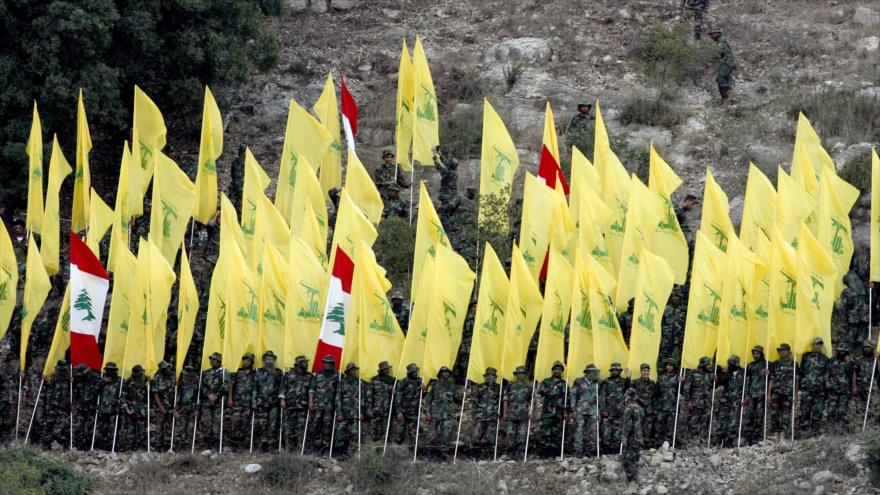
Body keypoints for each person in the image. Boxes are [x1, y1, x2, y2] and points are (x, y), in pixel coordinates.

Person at [426, 366, 461, 457]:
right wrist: (428, 412)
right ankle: (429, 453)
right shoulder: (433, 385)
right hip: (435, 413)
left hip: (448, 414)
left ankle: (444, 454)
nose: (446, 374)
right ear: (440, 373)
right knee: (431, 434)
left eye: (448, 372)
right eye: (444, 372)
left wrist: (462, 393)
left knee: (446, 435)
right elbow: (428, 400)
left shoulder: (452, 385)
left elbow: (457, 399)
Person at [280, 356, 312, 452]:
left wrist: (310, 402)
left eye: (307, 362)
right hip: (290, 405)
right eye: (304, 362)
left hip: (303, 406)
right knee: (289, 428)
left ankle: (300, 449)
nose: (306, 364)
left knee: (301, 428)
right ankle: (289, 448)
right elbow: (283, 388)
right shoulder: (288, 374)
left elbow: (311, 390)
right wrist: (282, 400)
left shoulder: (309, 376)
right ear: (298, 363)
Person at [798, 337, 829, 437]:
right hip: (806, 388)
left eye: (820, 344)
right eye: (816, 344)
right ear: (813, 345)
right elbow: (801, 371)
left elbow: (826, 374)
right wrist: (799, 386)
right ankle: (804, 432)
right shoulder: (805, 356)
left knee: (818, 410)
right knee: (805, 410)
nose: (818, 346)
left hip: (819, 389)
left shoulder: (825, 359)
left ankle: (815, 432)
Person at [309, 355, 340, 455]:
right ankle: (316, 447)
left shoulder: (337, 375)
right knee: (316, 425)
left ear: (332, 364)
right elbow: (312, 389)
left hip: (330, 406)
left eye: (329, 363)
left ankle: (326, 447)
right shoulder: (318, 374)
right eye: (325, 362)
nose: (326, 364)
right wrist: (311, 402)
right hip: (318, 405)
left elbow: (340, 391)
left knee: (328, 426)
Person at [226, 353, 256, 451]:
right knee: (235, 422)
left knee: (245, 423)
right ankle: (233, 443)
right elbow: (231, 386)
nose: (246, 362)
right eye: (244, 360)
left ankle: (240, 444)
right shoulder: (237, 372)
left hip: (247, 403)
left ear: (252, 362)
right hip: (237, 402)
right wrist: (230, 399)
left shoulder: (255, 374)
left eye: (248, 360)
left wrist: (253, 402)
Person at [254, 351, 283, 452]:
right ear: (264, 360)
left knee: (273, 424)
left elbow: (282, 387)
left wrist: (280, 399)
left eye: (272, 359)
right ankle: (262, 444)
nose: (269, 361)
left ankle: (271, 445)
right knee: (261, 424)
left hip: (274, 403)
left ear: (274, 360)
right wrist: (254, 401)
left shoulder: (278, 372)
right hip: (261, 402)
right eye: (267, 358)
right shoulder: (259, 372)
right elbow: (255, 388)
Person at [537, 361, 567, 457]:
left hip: (559, 412)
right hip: (547, 412)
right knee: (545, 432)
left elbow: (567, 398)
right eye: (556, 369)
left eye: (559, 369)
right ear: (552, 370)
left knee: (557, 433)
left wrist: (566, 412)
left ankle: (554, 452)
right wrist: (547, 390)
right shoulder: (546, 381)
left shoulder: (564, 383)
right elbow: (540, 391)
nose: (557, 371)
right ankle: (544, 452)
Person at [570, 364, 600, 457]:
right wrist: (572, 409)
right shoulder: (578, 381)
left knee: (592, 431)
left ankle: (590, 451)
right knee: (579, 431)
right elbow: (573, 395)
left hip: (593, 411)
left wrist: (599, 411)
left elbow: (599, 398)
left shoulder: (597, 383)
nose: (596, 374)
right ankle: (578, 450)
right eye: (594, 372)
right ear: (588, 373)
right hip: (580, 410)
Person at [682, 356, 713, 446]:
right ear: (703, 364)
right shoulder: (693, 373)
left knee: (705, 422)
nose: (710, 366)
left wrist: (716, 379)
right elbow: (686, 388)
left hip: (706, 402)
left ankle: (703, 441)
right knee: (693, 422)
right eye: (708, 364)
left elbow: (712, 386)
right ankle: (692, 441)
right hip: (695, 402)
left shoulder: (710, 374)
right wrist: (688, 401)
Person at [199, 352, 228, 450]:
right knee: (206, 422)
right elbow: (202, 386)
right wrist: (209, 395)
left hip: (219, 401)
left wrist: (216, 396)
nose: (211, 361)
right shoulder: (206, 372)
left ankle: (216, 443)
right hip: (207, 401)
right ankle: (206, 443)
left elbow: (226, 385)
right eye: (211, 359)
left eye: (214, 359)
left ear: (219, 361)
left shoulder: (224, 372)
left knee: (217, 422)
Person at [333, 363, 362, 458]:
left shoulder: (359, 383)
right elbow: (338, 398)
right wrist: (339, 413)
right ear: (348, 371)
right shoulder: (342, 382)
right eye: (352, 369)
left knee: (354, 434)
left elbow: (363, 399)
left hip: (355, 413)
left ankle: (351, 454)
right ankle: (339, 453)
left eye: (355, 369)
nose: (354, 371)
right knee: (341, 433)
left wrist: (361, 412)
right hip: (344, 413)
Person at [41, 360, 71, 449]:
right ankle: (46, 444)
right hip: (53, 405)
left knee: (64, 426)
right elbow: (49, 391)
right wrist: (47, 404)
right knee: (49, 423)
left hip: (64, 406)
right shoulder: (54, 378)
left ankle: (65, 444)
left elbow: (74, 392)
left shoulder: (70, 378)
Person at [502, 366, 531, 458]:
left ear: (525, 375)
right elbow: (506, 400)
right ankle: (510, 452)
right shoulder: (510, 386)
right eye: (519, 373)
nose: (521, 375)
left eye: (522, 373)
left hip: (524, 414)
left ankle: (520, 453)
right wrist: (505, 412)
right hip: (512, 414)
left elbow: (532, 401)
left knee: (522, 434)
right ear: (516, 375)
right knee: (510, 433)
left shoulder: (529, 387)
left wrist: (532, 412)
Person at [716, 355, 744, 447]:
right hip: (725, 400)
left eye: (731, 364)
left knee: (733, 421)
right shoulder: (726, 373)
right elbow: (720, 382)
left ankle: (730, 441)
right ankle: (719, 439)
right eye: (729, 363)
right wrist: (724, 373)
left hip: (736, 401)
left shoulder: (743, 373)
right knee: (721, 420)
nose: (730, 365)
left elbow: (745, 386)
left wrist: (745, 397)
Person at [470, 367, 500, 455]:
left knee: (490, 437)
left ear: (495, 377)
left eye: (492, 375)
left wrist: (500, 412)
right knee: (476, 436)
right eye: (488, 375)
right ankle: (475, 454)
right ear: (485, 377)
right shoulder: (480, 387)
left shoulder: (499, 388)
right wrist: (474, 414)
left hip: (493, 416)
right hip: (480, 416)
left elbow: (501, 401)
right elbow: (475, 401)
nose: (490, 377)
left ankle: (489, 454)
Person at [742, 345, 768, 445]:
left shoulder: (767, 365)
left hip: (762, 395)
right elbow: (747, 381)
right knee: (749, 416)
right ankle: (747, 438)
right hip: (752, 395)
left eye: (757, 353)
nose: (755, 355)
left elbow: (772, 379)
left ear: (761, 354)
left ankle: (756, 438)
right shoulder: (750, 366)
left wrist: (768, 373)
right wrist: (746, 395)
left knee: (759, 416)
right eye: (754, 353)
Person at [72, 363, 101, 450]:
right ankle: (78, 445)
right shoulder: (78, 378)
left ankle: (89, 445)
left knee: (90, 427)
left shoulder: (96, 378)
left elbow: (98, 391)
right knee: (78, 426)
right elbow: (75, 392)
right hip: (80, 406)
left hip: (91, 407)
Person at [826, 347, 855, 434]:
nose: (842, 352)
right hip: (833, 390)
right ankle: (830, 431)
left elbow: (852, 374)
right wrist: (827, 382)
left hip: (844, 390)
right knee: (831, 410)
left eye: (844, 351)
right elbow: (826, 372)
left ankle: (841, 430)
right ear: (837, 351)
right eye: (840, 351)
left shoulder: (849, 362)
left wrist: (849, 363)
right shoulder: (831, 360)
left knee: (842, 410)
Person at [599, 362, 626, 453]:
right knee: (606, 432)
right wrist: (603, 410)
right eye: (613, 370)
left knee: (617, 432)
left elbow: (628, 390)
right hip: (608, 411)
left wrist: (629, 378)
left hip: (619, 411)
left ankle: (616, 450)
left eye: (617, 370)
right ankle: (606, 450)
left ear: (620, 371)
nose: (615, 371)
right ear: (611, 371)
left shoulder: (623, 381)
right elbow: (602, 396)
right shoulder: (606, 382)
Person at [365, 361, 395, 442]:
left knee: (385, 431)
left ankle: (383, 447)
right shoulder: (374, 380)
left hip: (387, 409)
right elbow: (369, 396)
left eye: (387, 369)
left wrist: (394, 392)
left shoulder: (392, 381)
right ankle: (371, 449)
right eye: (385, 369)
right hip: (375, 410)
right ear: (381, 370)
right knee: (373, 431)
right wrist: (369, 409)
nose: (387, 371)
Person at [120, 365, 148, 451]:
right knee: (130, 431)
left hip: (142, 409)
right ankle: (129, 448)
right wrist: (127, 409)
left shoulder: (146, 380)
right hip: (131, 409)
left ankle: (140, 448)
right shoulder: (128, 382)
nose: (141, 374)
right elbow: (123, 397)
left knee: (142, 430)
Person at [629, 363, 657, 448]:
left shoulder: (652, 383)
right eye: (644, 370)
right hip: (639, 408)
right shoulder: (635, 382)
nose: (646, 372)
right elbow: (629, 392)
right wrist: (628, 379)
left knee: (648, 427)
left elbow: (655, 396)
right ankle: (637, 444)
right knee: (637, 426)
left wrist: (654, 408)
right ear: (641, 371)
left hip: (649, 409)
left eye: (647, 371)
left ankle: (646, 445)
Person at [394, 363, 423, 445]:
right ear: (409, 372)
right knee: (400, 430)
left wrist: (423, 389)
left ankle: (412, 448)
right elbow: (398, 397)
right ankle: (398, 448)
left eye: (416, 371)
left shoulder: (420, 381)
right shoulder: (403, 382)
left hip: (414, 410)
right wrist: (398, 411)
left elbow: (424, 395)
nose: (415, 373)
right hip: (403, 409)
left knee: (413, 431)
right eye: (414, 372)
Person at [770, 343, 795, 437]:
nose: (782, 352)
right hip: (776, 391)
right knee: (774, 412)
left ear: (788, 351)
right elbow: (771, 379)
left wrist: (795, 394)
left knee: (786, 412)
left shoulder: (793, 363)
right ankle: (775, 432)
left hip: (787, 391)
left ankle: (784, 432)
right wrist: (769, 394)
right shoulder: (775, 364)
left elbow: (796, 380)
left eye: (784, 350)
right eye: (781, 350)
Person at [95, 362, 121, 451]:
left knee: (113, 429)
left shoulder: (119, 381)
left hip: (114, 409)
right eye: (108, 370)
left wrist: (120, 405)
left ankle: (113, 446)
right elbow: (94, 391)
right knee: (103, 428)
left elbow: (123, 395)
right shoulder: (102, 381)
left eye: (111, 370)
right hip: (103, 408)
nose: (110, 372)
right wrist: (103, 382)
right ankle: (103, 446)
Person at [621, 388, 645, 483]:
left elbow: (627, 425)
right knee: (635, 458)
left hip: (631, 438)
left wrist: (624, 437)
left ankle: (632, 481)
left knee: (627, 459)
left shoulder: (628, 409)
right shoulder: (640, 409)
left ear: (628, 397)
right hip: (639, 437)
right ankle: (635, 479)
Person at [173, 365, 200, 450]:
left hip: (192, 409)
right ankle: (179, 445)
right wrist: (176, 408)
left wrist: (197, 409)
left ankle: (189, 446)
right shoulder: (182, 384)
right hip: (182, 409)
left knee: (190, 428)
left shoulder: (197, 384)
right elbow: (178, 397)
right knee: (181, 427)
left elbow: (198, 398)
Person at [150, 361, 175, 451]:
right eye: (166, 368)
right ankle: (158, 445)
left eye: (168, 367)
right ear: (162, 369)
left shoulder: (172, 376)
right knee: (159, 426)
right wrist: (161, 407)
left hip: (170, 405)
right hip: (160, 406)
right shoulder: (157, 378)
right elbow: (155, 394)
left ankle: (167, 444)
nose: (168, 369)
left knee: (169, 425)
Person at [654, 359, 680, 446]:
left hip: (672, 406)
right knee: (659, 425)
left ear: (674, 367)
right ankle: (658, 443)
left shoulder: (677, 378)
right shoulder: (661, 377)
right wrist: (656, 404)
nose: (668, 367)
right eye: (667, 365)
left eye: (670, 365)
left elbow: (681, 391)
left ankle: (670, 443)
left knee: (670, 426)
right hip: (661, 406)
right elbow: (656, 392)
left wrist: (682, 382)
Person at [708, 25, 737, 104]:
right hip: (725, 63)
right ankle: (727, 98)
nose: (711, 36)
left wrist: (710, 59)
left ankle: (729, 96)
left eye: (712, 34)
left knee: (720, 78)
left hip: (726, 64)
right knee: (723, 79)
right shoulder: (719, 41)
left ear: (717, 33)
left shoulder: (721, 41)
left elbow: (718, 53)